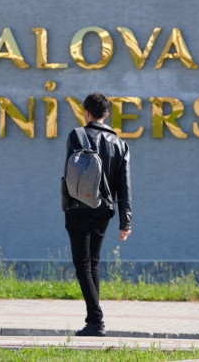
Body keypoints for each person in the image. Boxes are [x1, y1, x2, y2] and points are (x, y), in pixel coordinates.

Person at [62, 93, 132, 337]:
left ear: (86, 113)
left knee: (83, 264)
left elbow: (70, 174)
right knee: (93, 262)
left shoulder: (77, 135)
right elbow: (124, 186)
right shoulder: (120, 143)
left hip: (78, 207)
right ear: (107, 114)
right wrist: (125, 221)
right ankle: (93, 320)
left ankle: (96, 320)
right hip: (104, 210)